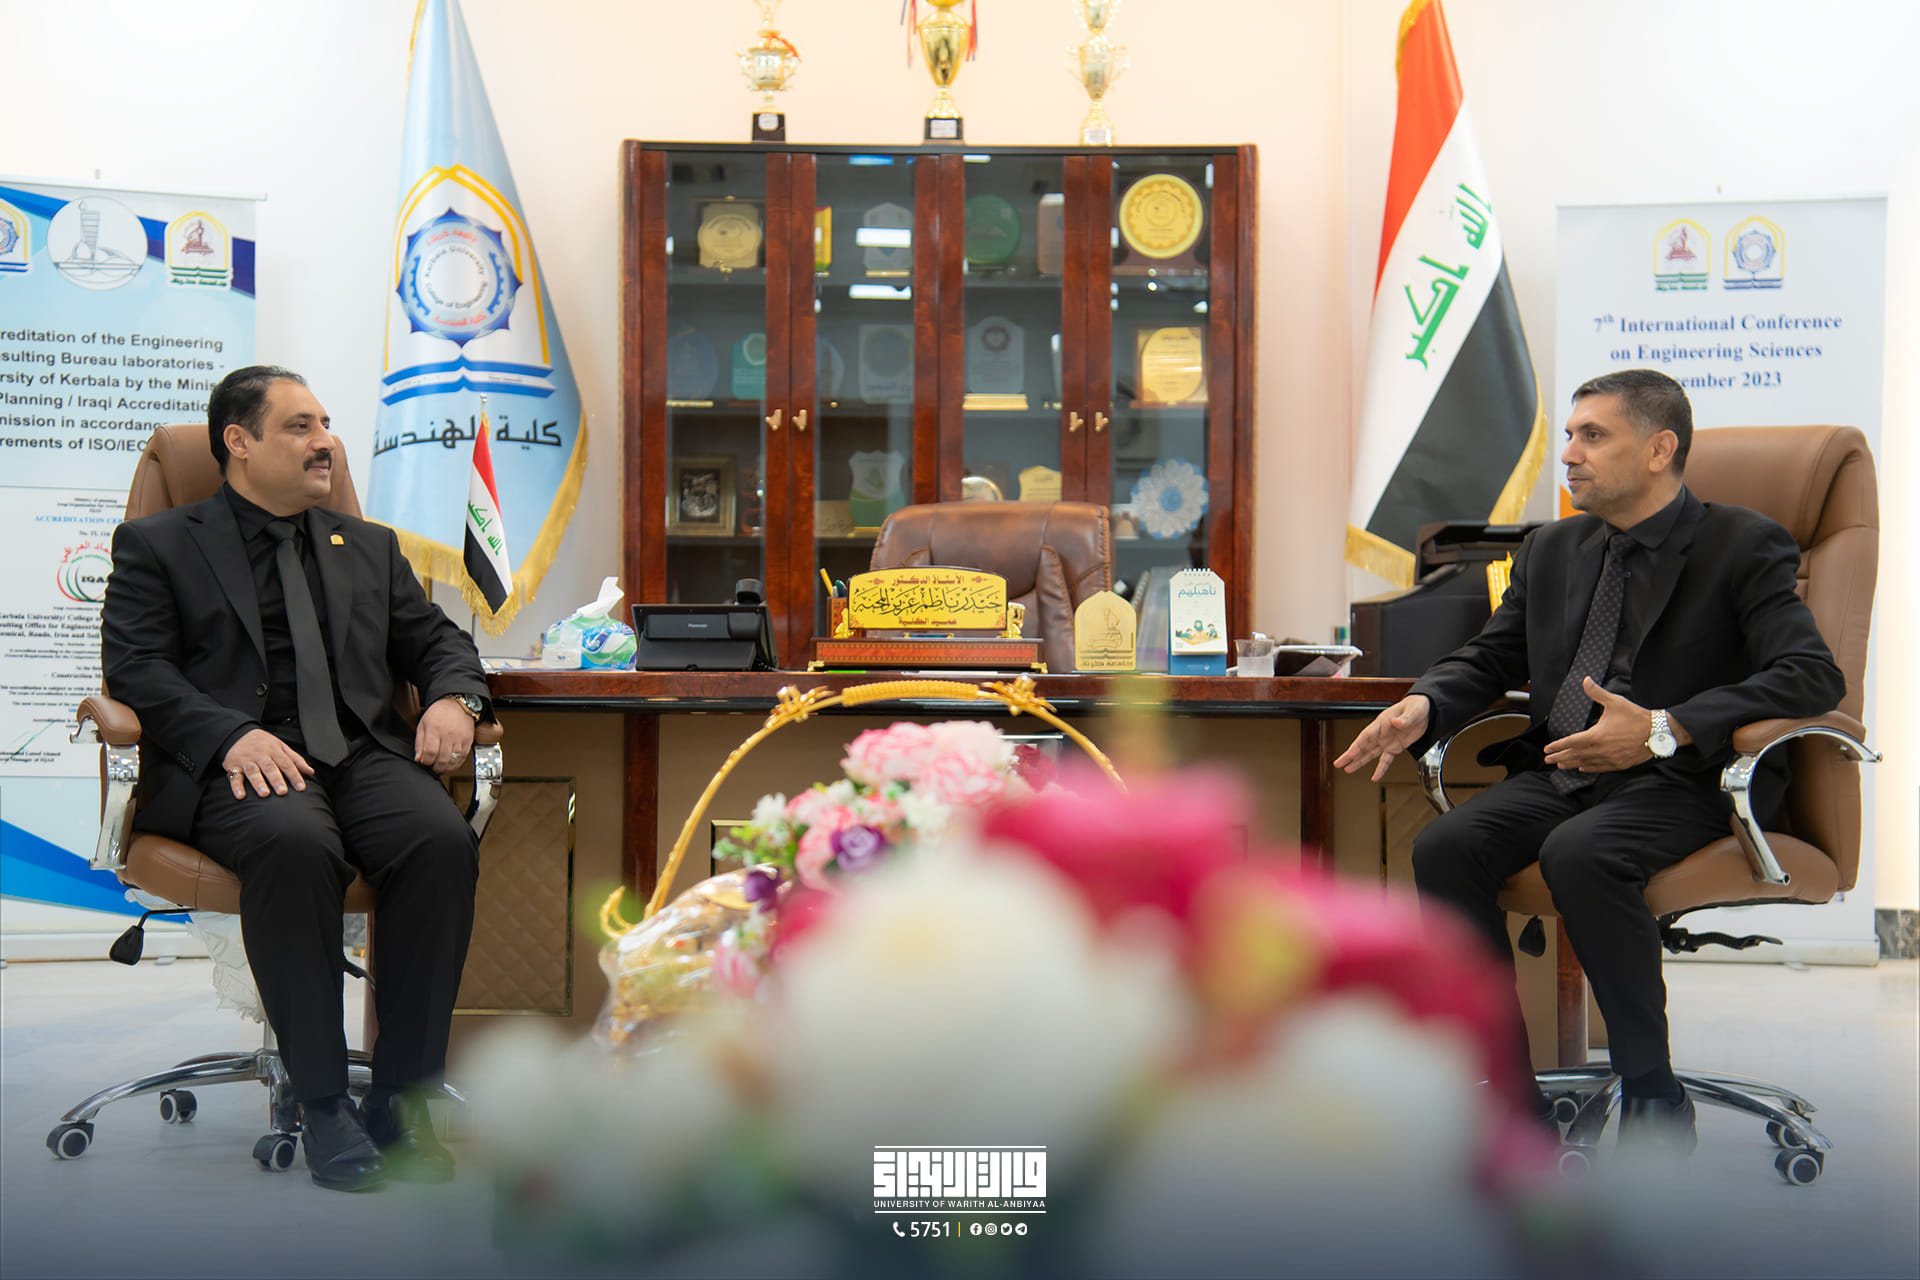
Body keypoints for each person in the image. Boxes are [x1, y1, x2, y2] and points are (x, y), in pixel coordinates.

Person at [1334, 369, 1844, 1151]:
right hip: (1567, 770)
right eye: (1570, 435)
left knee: (1582, 853)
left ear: (1659, 450)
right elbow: (1490, 656)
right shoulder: (1553, 548)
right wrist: (1426, 704)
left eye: (1593, 436)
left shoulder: (1743, 543)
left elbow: (1811, 675)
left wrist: (1667, 727)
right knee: (1444, 846)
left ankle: (1653, 1092)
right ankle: (1506, 1096)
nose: (1568, 453)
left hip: (1683, 777)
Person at [101, 366, 492, 1191]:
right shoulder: (160, 544)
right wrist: (228, 734)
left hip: (359, 753)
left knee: (438, 841)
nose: (326, 444)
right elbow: (136, 668)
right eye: (300, 427)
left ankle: (401, 1098)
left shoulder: (367, 546)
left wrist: (454, 697)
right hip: (239, 760)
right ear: (238, 442)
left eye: (326, 425)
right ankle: (322, 1104)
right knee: (294, 845)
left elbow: (437, 640)